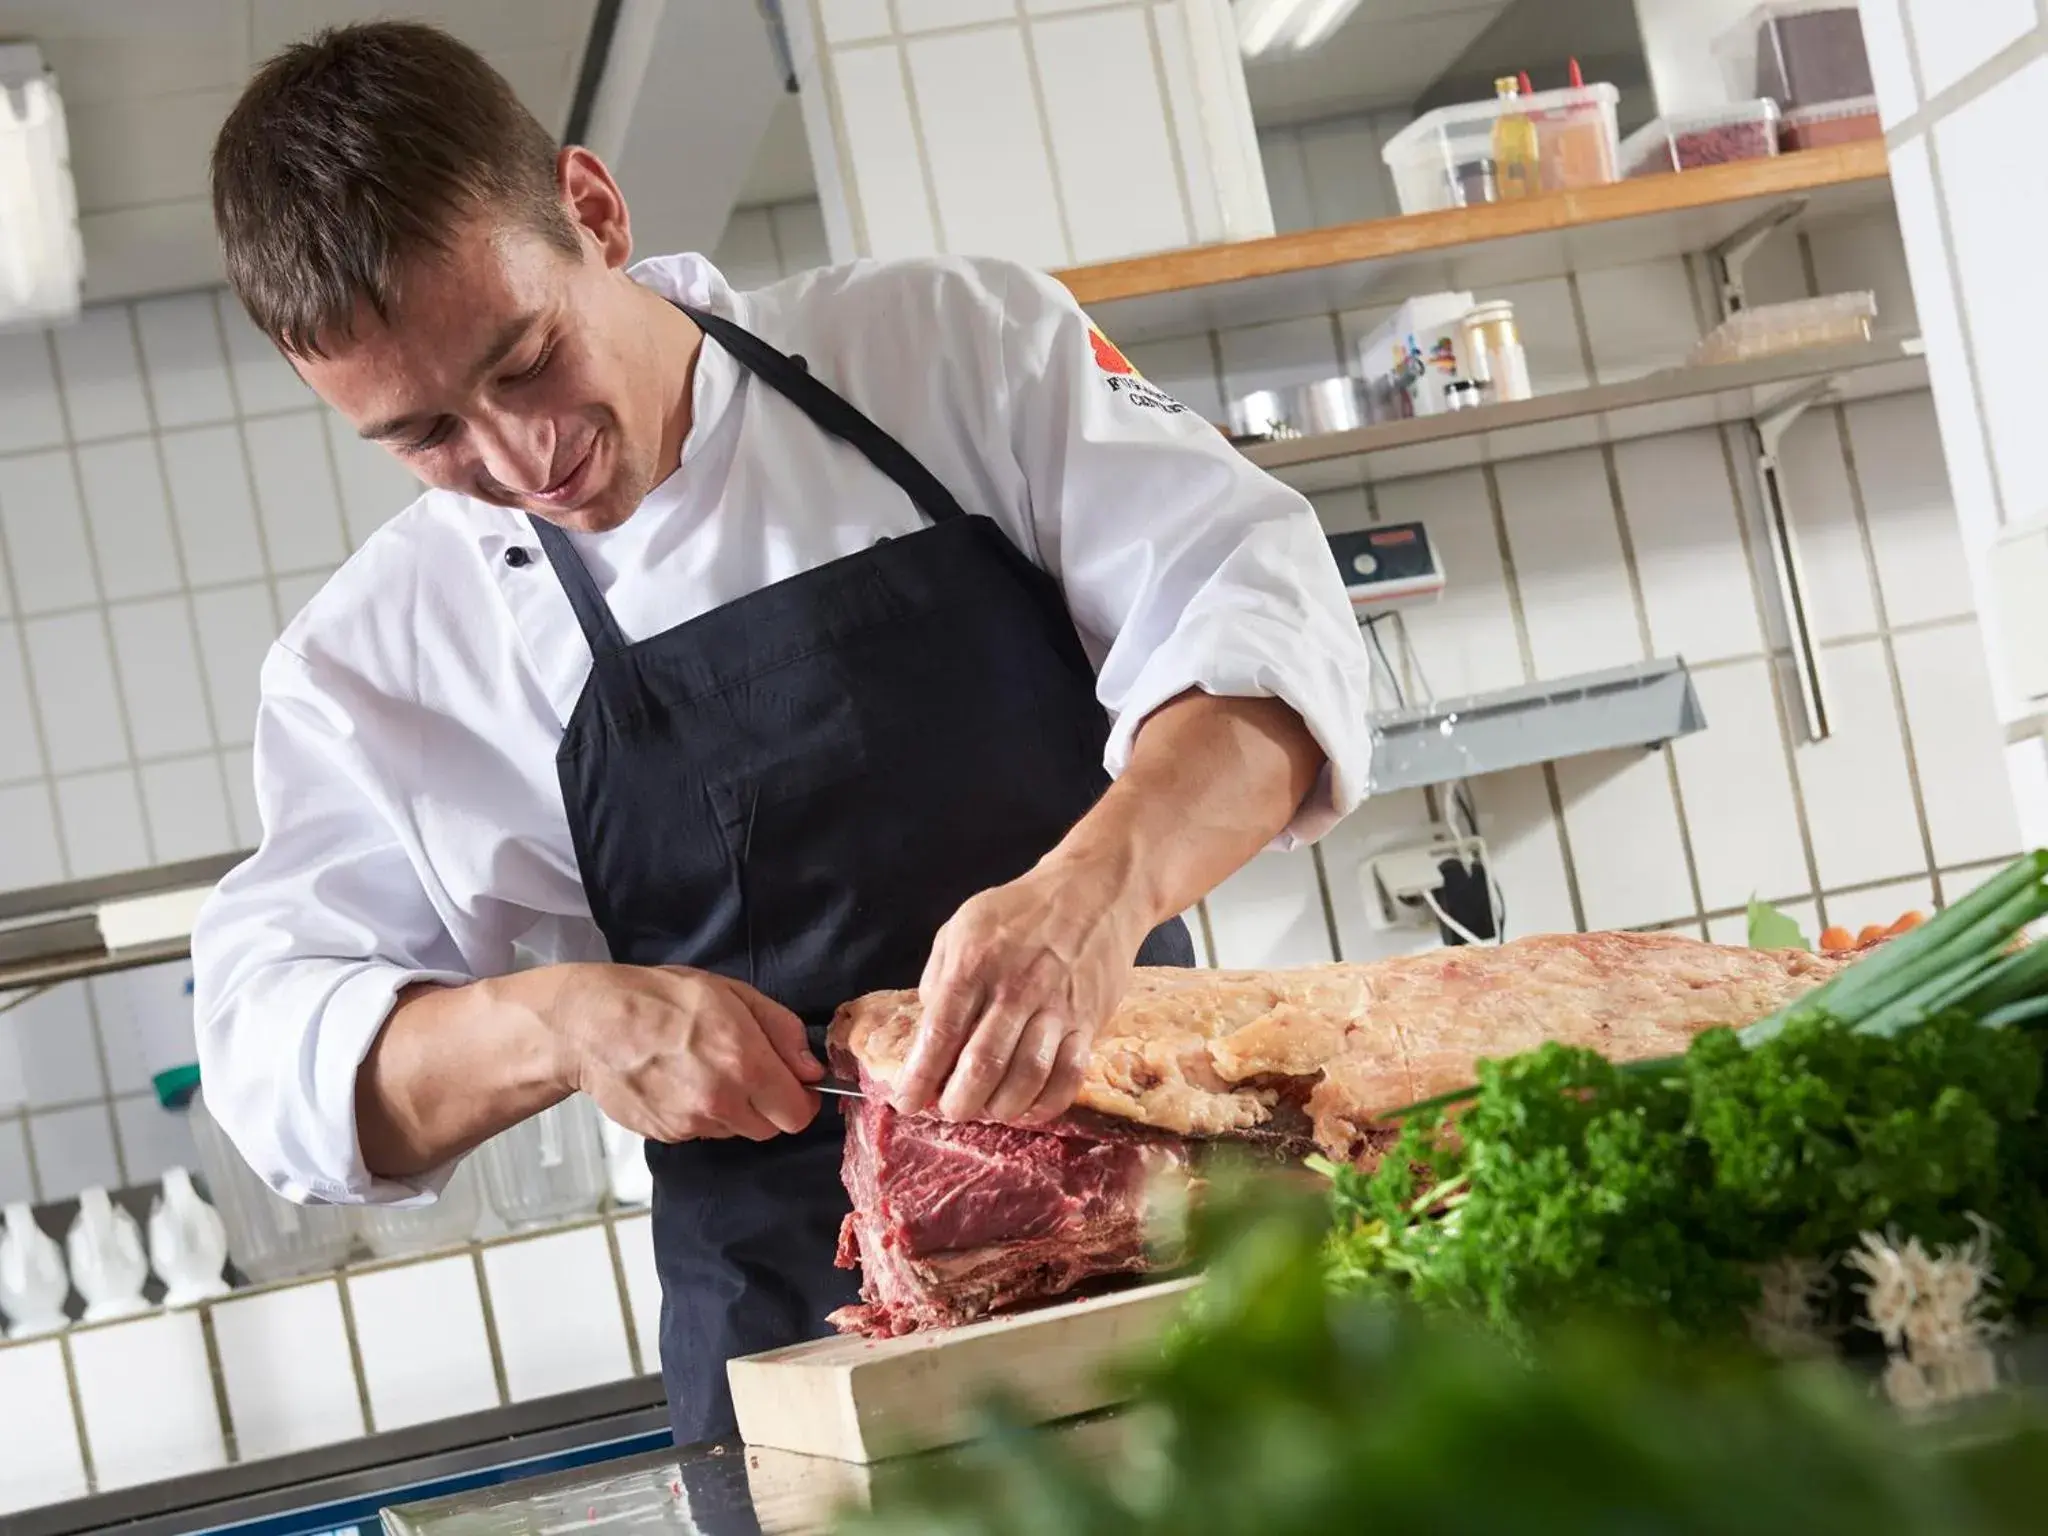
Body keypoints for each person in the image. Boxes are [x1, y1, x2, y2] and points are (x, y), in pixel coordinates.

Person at [191, 20, 1373, 1446]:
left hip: (1186, 1253)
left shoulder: (949, 349)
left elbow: (1261, 634)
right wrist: (556, 1022)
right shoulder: (382, 655)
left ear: (593, 211)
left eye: (526, 361)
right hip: (811, 1357)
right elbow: (278, 1055)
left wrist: (1095, 892)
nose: (518, 461)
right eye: (424, 435)